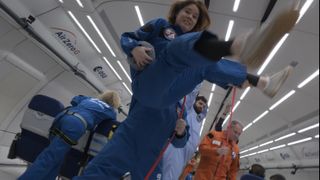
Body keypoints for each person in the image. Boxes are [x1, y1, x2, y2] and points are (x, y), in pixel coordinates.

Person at [75, 0, 298, 179]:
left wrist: (181, 132)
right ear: (177, 11)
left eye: (195, 17)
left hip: (160, 134)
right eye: (188, 12)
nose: (190, 17)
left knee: (201, 66)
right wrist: (133, 49)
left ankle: (260, 82)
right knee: (97, 173)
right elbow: (128, 37)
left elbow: (181, 143)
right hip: (145, 100)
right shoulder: (162, 27)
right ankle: (234, 46)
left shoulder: (184, 103)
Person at [19, 91, 121, 180]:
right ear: (114, 103)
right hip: (75, 125)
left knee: (57, 159)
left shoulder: (89, 99)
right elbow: (109, 124)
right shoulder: (110, 111)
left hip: (62, 117)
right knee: (49, 158)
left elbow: (74, 100)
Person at [160, 87, 208, 180]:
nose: (201, 107)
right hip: (177, 150)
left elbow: (204, 112)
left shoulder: (198, 120)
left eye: (203, 106)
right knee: (168, 176)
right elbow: (192, 94)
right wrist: (199, 77)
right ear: (194, 102)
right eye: (200, 103)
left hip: (185, 157)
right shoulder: (189, 110)